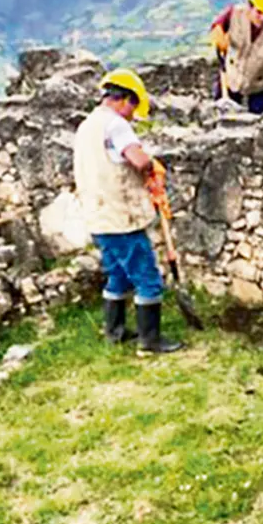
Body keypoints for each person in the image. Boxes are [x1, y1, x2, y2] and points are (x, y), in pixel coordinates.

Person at [73, 68, 183, 355]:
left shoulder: (87, 126)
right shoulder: (116, 124)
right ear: (127, 100)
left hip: (98, 216)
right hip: (122, 218)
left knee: (118, 274)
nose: (133, 115)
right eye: (134, 108)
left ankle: (115, 331)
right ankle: (150, 341)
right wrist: (152, 167)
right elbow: (137, 159)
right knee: (147, 276)